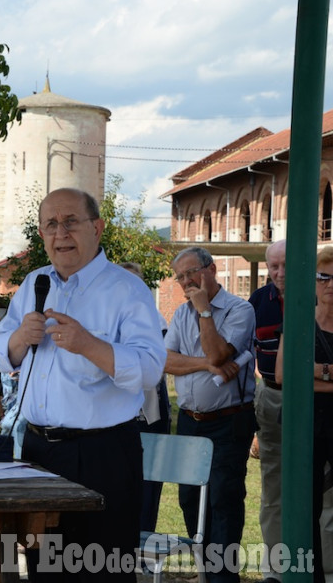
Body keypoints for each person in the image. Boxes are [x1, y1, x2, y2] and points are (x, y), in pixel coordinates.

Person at [0, 188, 165, 582]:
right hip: (38, 453)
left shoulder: (127, 290)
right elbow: (2, 349)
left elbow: (151, 368)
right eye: (51, 224)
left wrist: (89, 345)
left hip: (102, 457)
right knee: (44, 569)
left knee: (99, 571)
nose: (61, 233)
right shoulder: (35, 282)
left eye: (71, 221)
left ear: (97, 228)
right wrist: (20, 337)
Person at [165, 246, 257, 583]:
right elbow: (166, 361)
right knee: (189, 497)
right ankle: (207, 571)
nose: (187, 282)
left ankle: (223, 578)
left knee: (223, 498)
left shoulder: (239, 309)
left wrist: (205, 313)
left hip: (228, 420)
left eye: (192, 273)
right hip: (190, 420)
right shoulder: (179, 314)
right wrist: (205, 365)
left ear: (212, 269)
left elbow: (219, 351)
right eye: (181, 277)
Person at [275, 246, 333, 583]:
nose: (329, 284)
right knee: (304, 507)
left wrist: (310, 373)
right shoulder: (297, 322)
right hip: (303, 425)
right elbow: (284, 376)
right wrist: (328, 371)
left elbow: (299, 376)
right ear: (312, 282)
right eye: (323, 276)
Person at [120, 261, 172, 534]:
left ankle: (144, 547)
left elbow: (163, 362)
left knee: (148, 486)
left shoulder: (157, 322)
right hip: (114, 415)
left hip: (149, 414)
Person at [248, 239, 285, 583]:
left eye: (285, 265)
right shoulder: (260, 300)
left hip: (318, 400)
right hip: (271, 396)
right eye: (273, 266)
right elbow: (250, 352)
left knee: (326, 486)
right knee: (272, 485)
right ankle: (275, 568)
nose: (279, 273)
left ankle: (324, 566)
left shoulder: (320, 298)